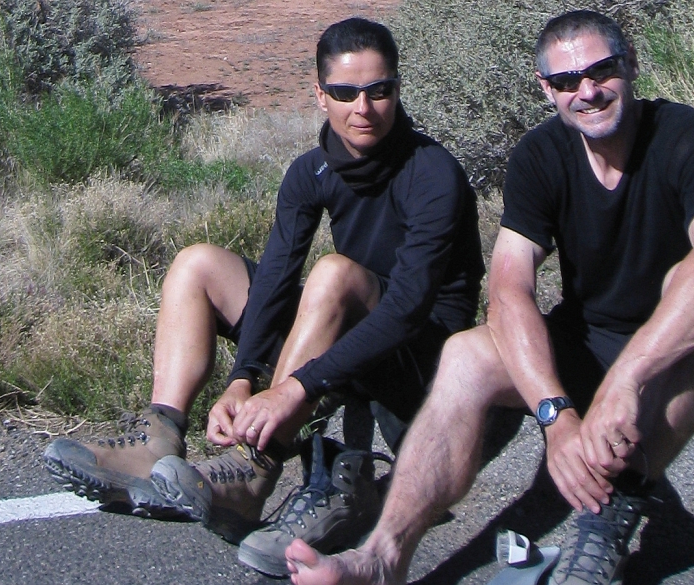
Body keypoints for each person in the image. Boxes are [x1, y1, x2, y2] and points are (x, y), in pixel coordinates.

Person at [285, 9, 694, 585]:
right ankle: (383, 556)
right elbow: (510, 287)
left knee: (689, 291)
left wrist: (627, 381)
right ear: (547, 89)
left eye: (602, 71)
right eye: (566, 81)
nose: (587, 91)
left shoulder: (685, 136)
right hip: (594, 347)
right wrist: (554, 413)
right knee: (466, 354)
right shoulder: (541, 155)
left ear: (631, 65)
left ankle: (608, 520)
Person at [42, 17, 484, 578]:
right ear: (319, 93)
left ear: (398, 88)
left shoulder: (434, 172)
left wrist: (292, 389)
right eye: (345, 92)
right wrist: (244, 378)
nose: (364, 108)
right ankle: (161, 435)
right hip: (347, 336)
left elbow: (408, 309)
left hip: (422, 368)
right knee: (199, 265)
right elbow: (275, 280)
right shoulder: (312, 171)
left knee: (333, 275)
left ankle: (255, 465)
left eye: (380, 90)